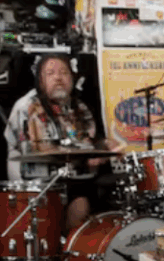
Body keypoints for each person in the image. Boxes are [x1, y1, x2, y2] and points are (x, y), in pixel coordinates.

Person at [4, 54, 122, 232]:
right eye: (50, 73)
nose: (58, 78)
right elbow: (40, 150)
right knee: (81, 202)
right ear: (40, 81)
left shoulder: (79, 107)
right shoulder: (28, 107)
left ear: (72, 79)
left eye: (64, 72)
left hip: (73, 178)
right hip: (37, 182)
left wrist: (105, 146)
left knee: (112, 192)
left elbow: (86, 141)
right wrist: (86, 159)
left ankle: (77, 244)